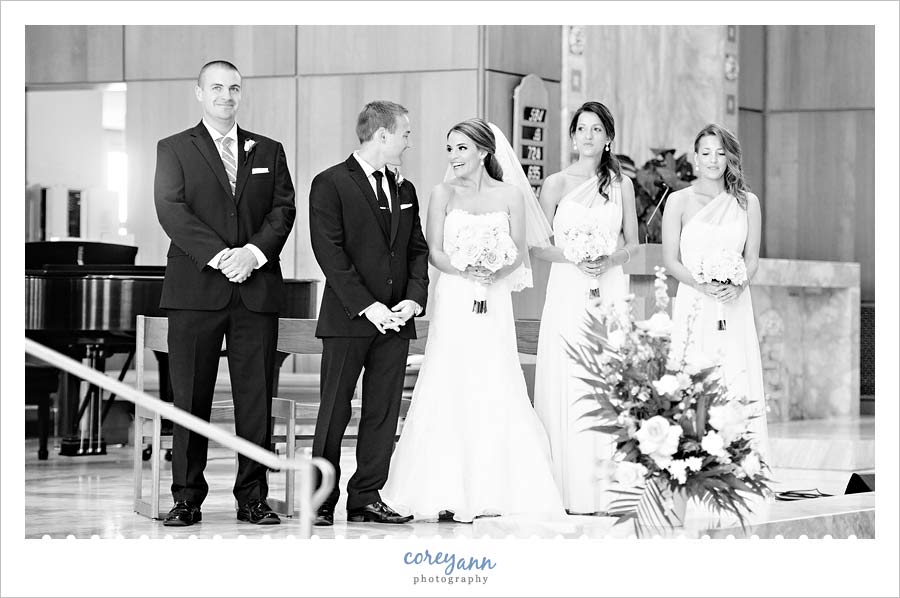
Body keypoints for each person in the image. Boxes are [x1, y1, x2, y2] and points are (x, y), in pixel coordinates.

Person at [380, 118, 565, 523]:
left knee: (495, 375)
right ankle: (441, 486)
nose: (453, 156)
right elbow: (433, 250)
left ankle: (497, 486)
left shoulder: (511, 194)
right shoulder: (440, 193)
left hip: (494, 296)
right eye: (450, 149)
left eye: (461, 148)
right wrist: (466, 268)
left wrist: (496, 269)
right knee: (450, 376)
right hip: (457, 294)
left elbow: (519, 248)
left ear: (483, 152)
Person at [154, 60, 296, 526]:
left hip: (255, 291)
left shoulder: (269, 150)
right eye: (216, 87)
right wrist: (221, 257)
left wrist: (252, 254)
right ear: (199, 93)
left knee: (255, 400)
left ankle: (252, 498)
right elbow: (171, 211)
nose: (226, 95)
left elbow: (283, 210)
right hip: (196, 290)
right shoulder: (173, 148)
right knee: (189, 399)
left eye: (234, 88)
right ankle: (186, 498)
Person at [308, 101, 430, 526]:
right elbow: (331, 253)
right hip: (349, 319)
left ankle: (366, 497)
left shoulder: (406, 189)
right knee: (334, 410)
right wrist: (368, 306)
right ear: (382, 135)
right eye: (405, 133)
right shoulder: (330, 183)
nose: (409, 141)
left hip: (397, 320)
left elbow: (417, 250)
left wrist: (413, 300)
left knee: (381, 412)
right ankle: (321, 499)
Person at [532, 101, 639, 515]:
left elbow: (633, 242)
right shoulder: (556, 184)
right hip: (567, 290)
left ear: (608, 137)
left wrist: (611, 259)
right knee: (569, 378)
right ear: (573, 136)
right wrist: (573, 258)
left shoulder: (622, 185)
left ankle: (609, 489)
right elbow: (539, 246)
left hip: (609, 291)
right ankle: (567, 487)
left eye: (597, 129)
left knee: (606, 377)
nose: (589, 136)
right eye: (582, 129)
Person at [661, 123, 769, 461]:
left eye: (720, 153)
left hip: (733, 304)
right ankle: (693, 462)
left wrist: (737, 285)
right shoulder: (678, 201)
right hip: (695, 301)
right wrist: (701, 284)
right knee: (695, 376)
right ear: (695, 158)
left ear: (730, 158)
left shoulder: (747, 203)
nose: (713, 159)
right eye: (706, 153)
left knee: (734, 374)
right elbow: (670, 261)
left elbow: (751, 260)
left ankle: (742, 462)